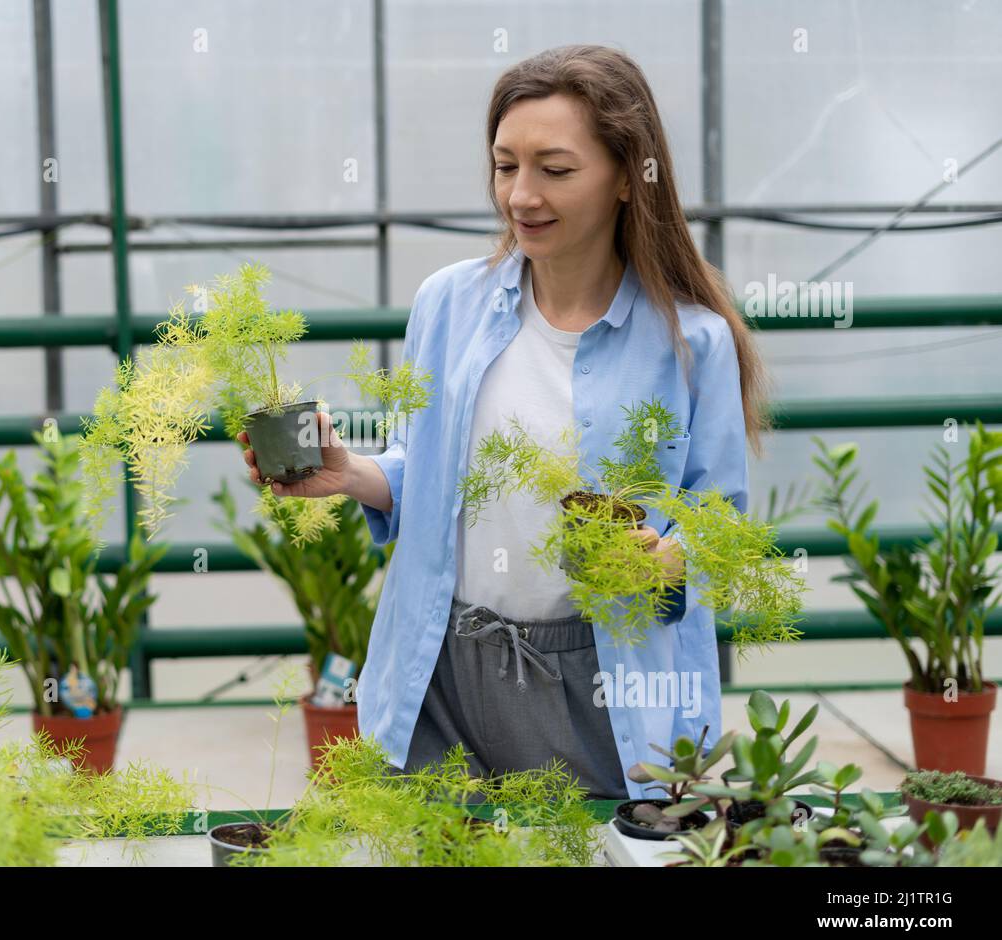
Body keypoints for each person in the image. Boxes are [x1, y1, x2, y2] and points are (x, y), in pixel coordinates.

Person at [236, 44, 769, 801]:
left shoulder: (691, 344)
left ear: (626, 176)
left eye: (555, 169)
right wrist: (349, 473)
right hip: (440, 667)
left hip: (599, 683)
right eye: (504, 165)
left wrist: (664, 561)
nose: (522, 195)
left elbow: (720, 525)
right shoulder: (447, 304)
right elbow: (422, 467)